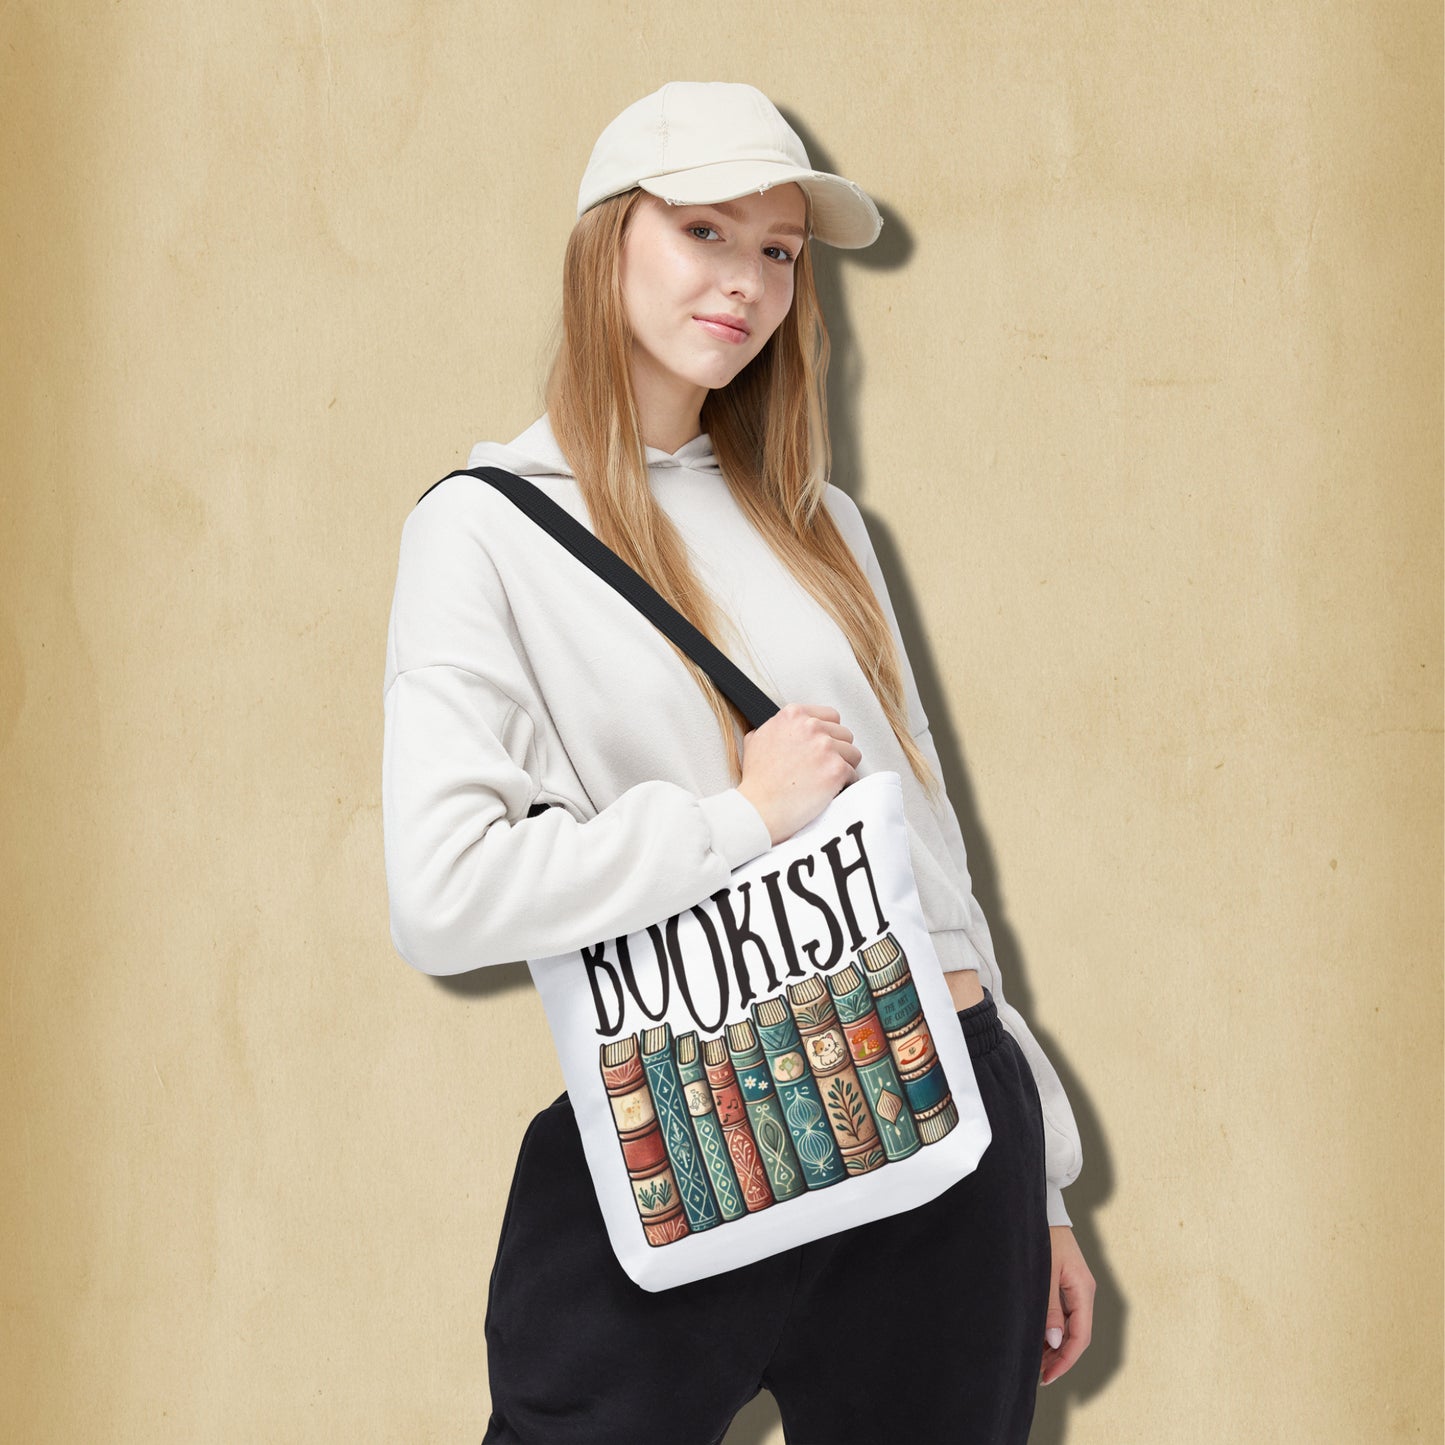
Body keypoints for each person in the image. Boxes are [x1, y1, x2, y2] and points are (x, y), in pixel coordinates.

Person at [383, 80, 1095, 1445]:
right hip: (696, 1115)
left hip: (946, 1117)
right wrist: (739, 820)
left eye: (775, 251)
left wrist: (1043, 1179)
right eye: (705, 229)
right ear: (609, 240)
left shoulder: (818, 519)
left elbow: (928, 857)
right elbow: (442, 891)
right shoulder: (487, 531)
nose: (747, 282)